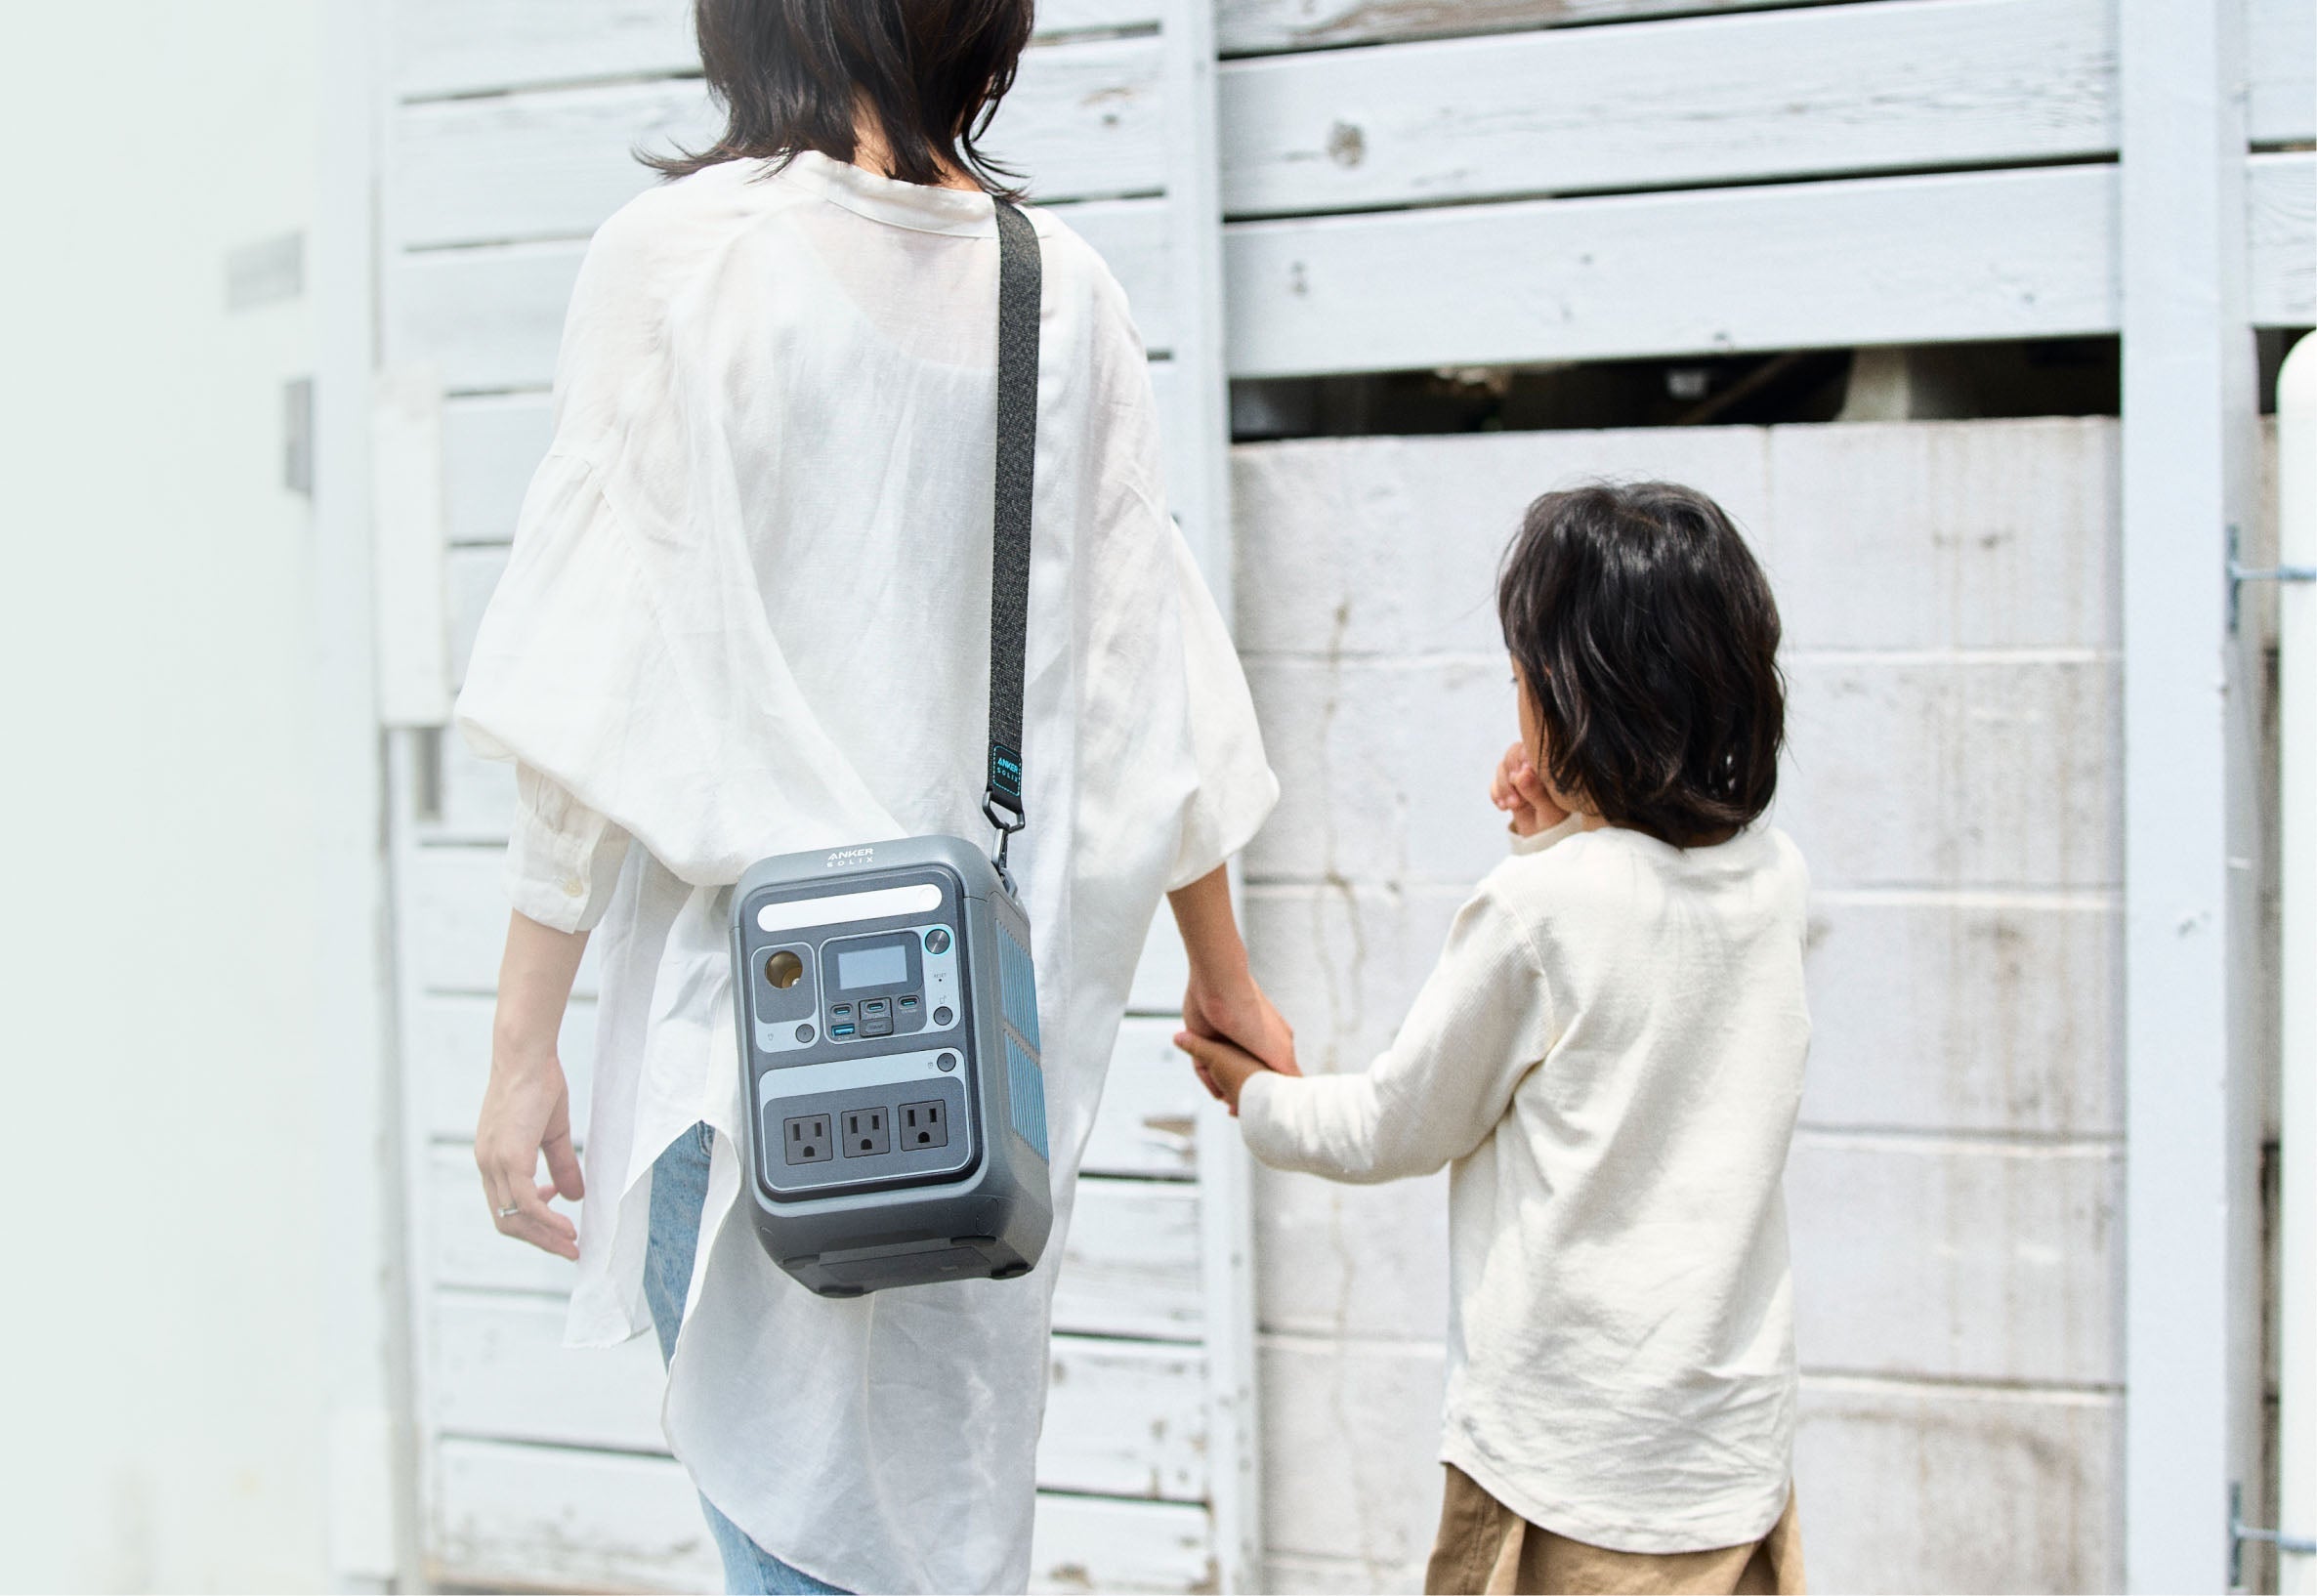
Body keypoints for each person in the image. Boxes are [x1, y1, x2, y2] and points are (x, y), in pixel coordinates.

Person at [455, 0, 1290, 1589]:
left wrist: (519, 1051)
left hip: (747, 1046)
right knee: (920, 1525)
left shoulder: (680, 259)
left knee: (798, 1532)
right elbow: (1146, 683)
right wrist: (1225, 974)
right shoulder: (1066, 292)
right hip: (974, 1061)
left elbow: (591, 678)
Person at [1177, 482, 1811, 1596]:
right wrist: (1565, 822)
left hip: (1565, 1474)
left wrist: (1255, 1093)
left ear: (1574, 699)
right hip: (1727, 1466)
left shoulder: (1538, 912)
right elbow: (1640, 944)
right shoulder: (1772, 878)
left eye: (1521, 682)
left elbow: (1392, 1125)